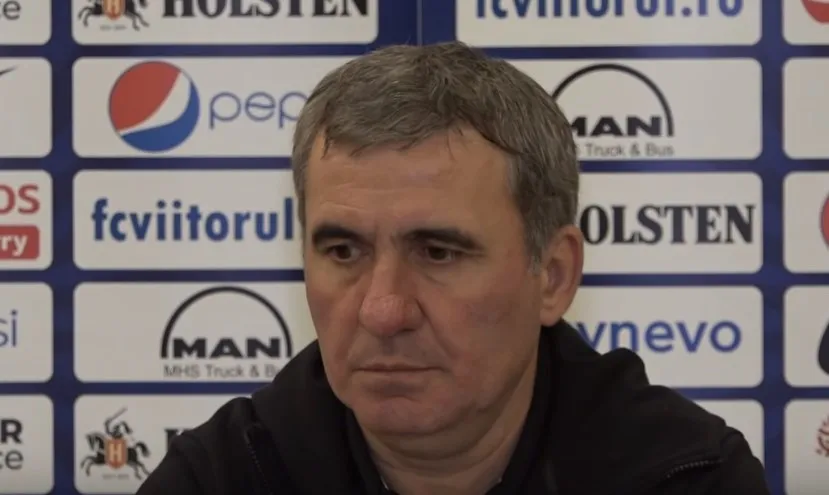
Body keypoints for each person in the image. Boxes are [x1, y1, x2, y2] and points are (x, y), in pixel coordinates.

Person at [135, 41, 770, 495]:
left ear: (553, 276)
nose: (383, 310)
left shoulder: (685, 478)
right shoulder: (219, 477)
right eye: (344, 252)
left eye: (438, 253)